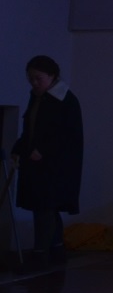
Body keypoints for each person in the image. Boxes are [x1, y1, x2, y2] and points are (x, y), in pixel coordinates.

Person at [10, 55, 83, 270]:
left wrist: (43, 151)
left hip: (55, 165)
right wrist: (20, 148)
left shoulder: (65, 100)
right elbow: (31, 127)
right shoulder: (38, 97)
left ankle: (40, 254)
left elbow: (67, 135)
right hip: (38, 162)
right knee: (46, 206)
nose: (34, 83)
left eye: (38, 78)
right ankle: (56, 249)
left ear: (52, 76)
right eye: (31, 78)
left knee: (45, 206)